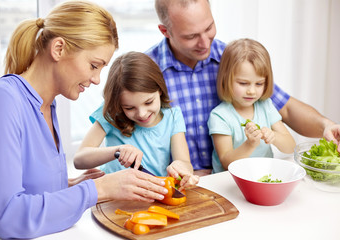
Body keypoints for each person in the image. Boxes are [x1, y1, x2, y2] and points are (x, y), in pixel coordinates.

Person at [0, 1, 169, 239]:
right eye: (93, 65)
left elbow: (28, 185)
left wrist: (71, 185)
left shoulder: (48, 105)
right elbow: (8, 216)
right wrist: (97, 190)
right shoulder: (1, 99)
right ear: (58, 49)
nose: (98, 79)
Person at [146, 0, 340, 176]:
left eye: (209, 27)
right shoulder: (146, 71)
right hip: (178, 182)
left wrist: (326, 126)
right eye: (191, 36)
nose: (205, 43)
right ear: (165, 31)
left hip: (235, 179)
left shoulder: (233, 59)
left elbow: (285, 107)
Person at [74, 51, 199, 188]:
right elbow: (79, 159)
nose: (142, 114)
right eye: (129, 108)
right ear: (119, 105)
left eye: (148, 102)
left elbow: (185, 163)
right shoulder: (111, 114)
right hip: (114, 195)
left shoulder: (173, 117)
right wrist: (117, 151)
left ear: (160, 90)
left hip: (153, 194)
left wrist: (181, 166)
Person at [207, 39, 296, 172]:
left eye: (259, 84)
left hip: (263, 177)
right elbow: (226, 161)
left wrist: (274, 137)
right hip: (228, 181)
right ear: (226, 79)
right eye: (243, 83)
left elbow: (291, 147)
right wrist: (250, 144)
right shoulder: (220, 116)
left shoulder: (265, 106)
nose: (252, 91)